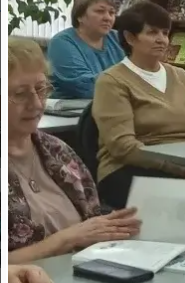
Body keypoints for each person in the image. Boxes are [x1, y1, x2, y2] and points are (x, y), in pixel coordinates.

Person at [8, 37, 140, 264]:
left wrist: (115, 226)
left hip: (84, 273)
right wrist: (68, 238)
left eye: (41, 89)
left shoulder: (57, 150)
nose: (37, 104)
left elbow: (92, 218)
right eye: (20, 94)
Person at [92, 2, 185, 210]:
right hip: (129, 168)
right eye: (152, 32)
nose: (162, 39)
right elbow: (123, 147)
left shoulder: (180, 76)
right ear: (130, 38)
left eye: (165, 33)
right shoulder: (112, 80)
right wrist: (177, 167)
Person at [47, 0, 125, 99]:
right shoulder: (62, 43)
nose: (108, 18)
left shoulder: (117, 37)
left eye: (112, 12)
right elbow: (86, 87)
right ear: (80, 16)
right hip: (74, 108)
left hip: (116, 102)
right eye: (100, 11)